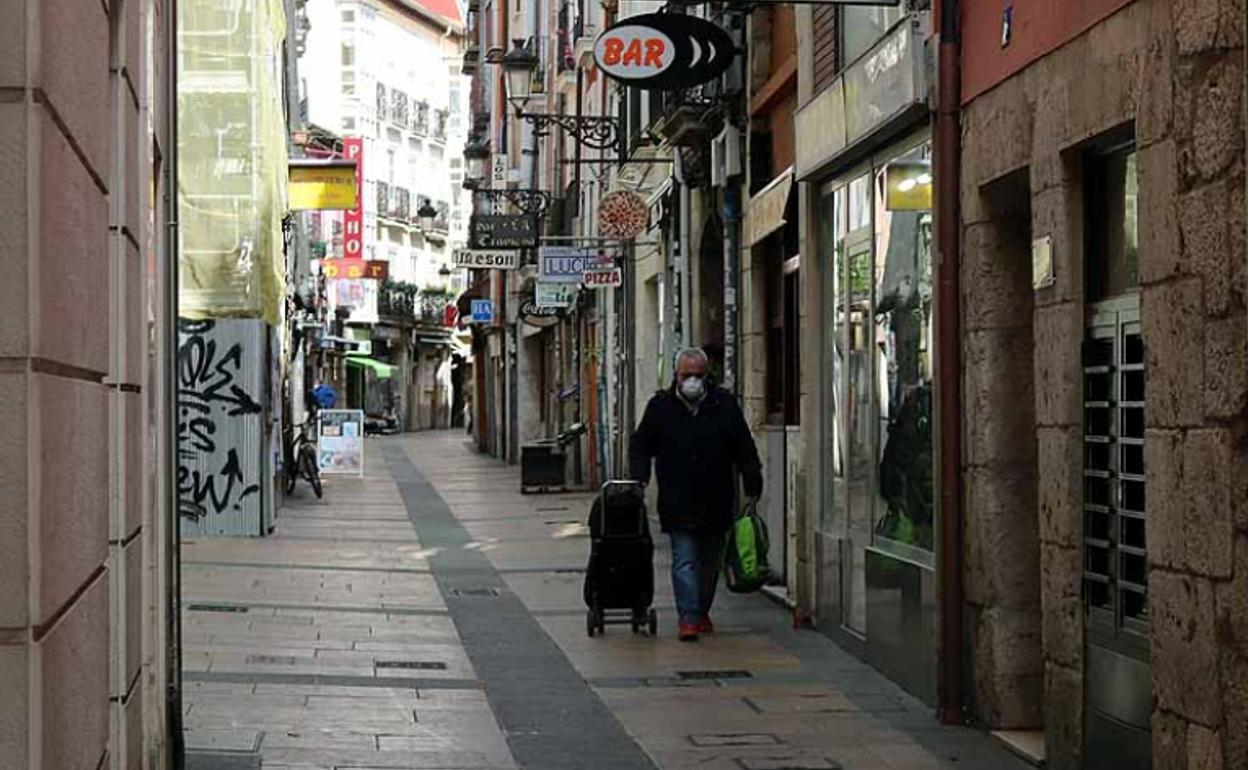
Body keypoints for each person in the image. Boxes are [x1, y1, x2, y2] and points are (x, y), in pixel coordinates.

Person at [629, 347, 763, 642]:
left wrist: (753, 482)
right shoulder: (661, 407)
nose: (692, 381)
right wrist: (640, 476)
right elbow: (641, 444)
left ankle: (701, 610)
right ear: (676, 376)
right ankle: (688, 618)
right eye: (686, 375)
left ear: (707, 376)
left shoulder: (723, 405)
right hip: (677, 500)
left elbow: (744, 446)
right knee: (685, 558)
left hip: (716, 498)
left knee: (710, 562)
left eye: (697, 375)